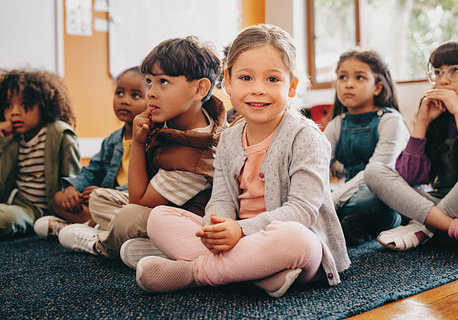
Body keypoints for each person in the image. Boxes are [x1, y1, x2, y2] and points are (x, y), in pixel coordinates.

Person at [134, 24, 350, 298]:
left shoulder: (307, 137)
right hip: (236, 239)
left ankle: (195, 273)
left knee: (296, 240)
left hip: (293, 243)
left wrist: (240, 230)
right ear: (228, 80)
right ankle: (257, 273)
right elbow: (222, 197)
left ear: (292, 86)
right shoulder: (229, 137)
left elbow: (302, 211)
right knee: (159, 218)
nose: (258, 89)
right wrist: (219, 225)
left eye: (272, 79)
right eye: (246, 78)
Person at [57, 36, 227, 261]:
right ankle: (143, 244)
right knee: (99, 197)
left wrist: (138, 143)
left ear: (199, 89)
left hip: (187, 226)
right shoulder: (175, 118)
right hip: (159, 208)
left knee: (130, 215)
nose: (151, 93)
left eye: (163, 82)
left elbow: (139, 200)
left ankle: (100, 243)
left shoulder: (197, 154)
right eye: (149, 81)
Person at [365, 40, 458, 257]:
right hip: (440, 201)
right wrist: (423, 122)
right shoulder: (439, 118)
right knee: (374, 171)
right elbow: (409, 177)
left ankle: (423, 229)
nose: (443, 80)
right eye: (438, 72)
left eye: (455, 70)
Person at [33, 66, 147, 237]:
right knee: (59, 198)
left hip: (128, 202)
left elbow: (146, 185)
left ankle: (79, 229)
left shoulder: (151, 140)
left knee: (124, 213)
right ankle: (93, 227)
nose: (124, 100)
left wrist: (106, 194)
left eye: (135, 95)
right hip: (102, 204)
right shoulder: (112, 140)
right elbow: (92, 170)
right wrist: (72, 188)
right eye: (120, 93)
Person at [323, 49, 409, 245]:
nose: (348, 84)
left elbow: (374, 173)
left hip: (382, 194)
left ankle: (392, 222)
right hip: (350, 194)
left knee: (372, 201)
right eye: (342, 77)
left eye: (359, 77)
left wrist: (333, 201)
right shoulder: (337, 123)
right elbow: (315, 164)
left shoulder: (391, 121)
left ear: (377, 88)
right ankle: (350, 227)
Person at [0, 69, 80, 237]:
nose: (15, 112)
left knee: (5, 218)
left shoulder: (59, 134)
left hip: (36, 208)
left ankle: (53, 222)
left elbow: (73, 179)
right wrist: (3, 140)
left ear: (44, 104)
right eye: (8, 105)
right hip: (13, 200)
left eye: (25, 104)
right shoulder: (13, 138)